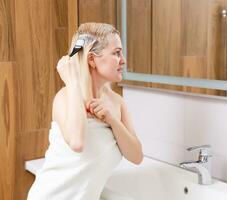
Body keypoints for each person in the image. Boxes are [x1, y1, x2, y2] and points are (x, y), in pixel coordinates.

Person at [27, 22, 143, 200]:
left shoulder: (117, 104)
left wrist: (112, 121)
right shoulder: (65, 97)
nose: (123, 60)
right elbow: (77, 143)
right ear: (91, 59)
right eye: (116, 53)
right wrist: (72, 82)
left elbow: (136, 156)